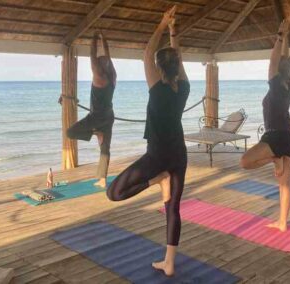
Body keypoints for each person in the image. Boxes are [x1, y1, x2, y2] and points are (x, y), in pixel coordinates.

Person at [106, 6, 189, 277]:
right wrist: (173, 32)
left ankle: (156, 179)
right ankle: (170, 263)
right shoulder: (183, 88)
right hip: (179, 153)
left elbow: (146, 53)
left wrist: (162, 25)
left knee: (113, 193)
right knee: (173, 208)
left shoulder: (158, 89)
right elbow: (177, 59)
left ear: (158, 67)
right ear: (177, 66)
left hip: (157, 157)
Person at [239, 20, 290, 232]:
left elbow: (274, 62)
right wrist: (286, 37)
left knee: (244, 162)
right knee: (284, 184)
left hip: (275, 136)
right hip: (288, 136)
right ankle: (282, 223)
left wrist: (280, 36)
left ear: (277, 71)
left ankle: (274, 158)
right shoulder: (289, 85)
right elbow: (283, 60)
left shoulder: (276, 85)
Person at [65, 31, 116, 189]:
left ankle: (95, 133)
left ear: (99, 66)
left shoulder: (99, 77)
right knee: (105, 149)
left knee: (70, 133)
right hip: (108, 116)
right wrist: (104, 40)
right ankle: (102, 180)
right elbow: (107, 57)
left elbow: (92, 57)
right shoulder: (113, 76)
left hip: (95, 117)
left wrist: (94, 39)